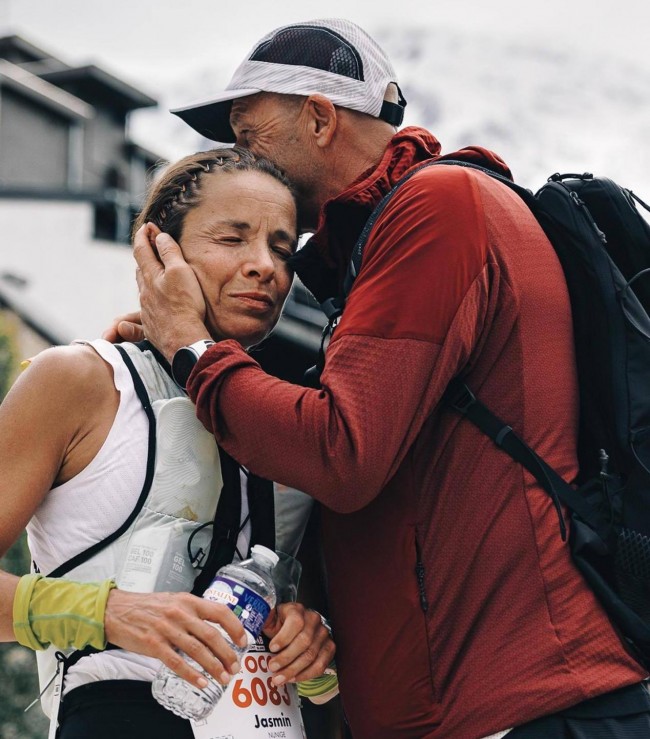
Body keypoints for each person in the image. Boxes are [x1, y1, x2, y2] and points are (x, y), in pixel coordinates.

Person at [117, 18, 650, 739]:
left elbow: (342, 451)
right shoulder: (399, 233)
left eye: (252, 136)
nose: (243, 160)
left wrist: (192, 347)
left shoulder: (438, 209)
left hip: (524, 703)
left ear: (320, 116)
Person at [0, 146, 335, 739]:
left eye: (283, 249)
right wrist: (113, 612)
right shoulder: (79, 381)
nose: (265, 266)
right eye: (232, 239)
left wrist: (311, 646)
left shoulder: (294, 422)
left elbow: (302, 623)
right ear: (160, 249)